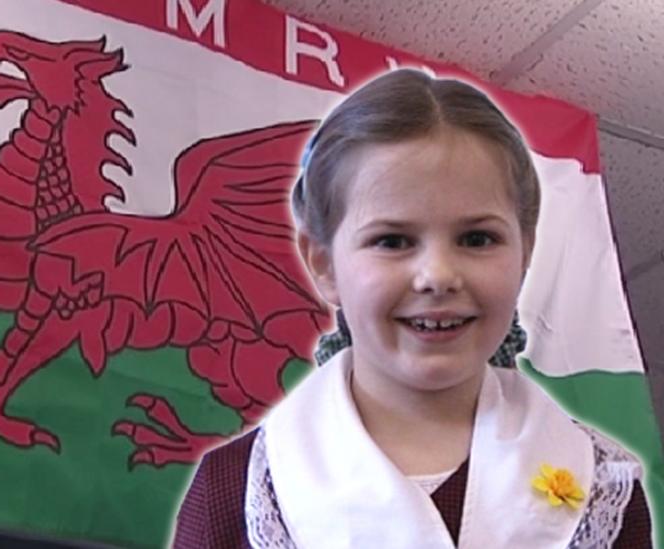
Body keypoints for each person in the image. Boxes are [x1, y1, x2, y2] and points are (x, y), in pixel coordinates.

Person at [171, 69, 652, 548]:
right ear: (324, 264)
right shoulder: (235, 490)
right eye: (392, 240)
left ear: (524, 251)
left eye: (477, 238)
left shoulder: (603, 488)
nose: (438, 275)